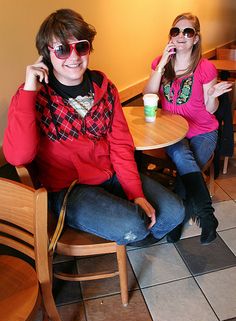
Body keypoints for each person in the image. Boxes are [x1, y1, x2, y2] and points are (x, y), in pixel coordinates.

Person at [3, 8, 184, 247]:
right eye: (62, 49)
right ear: (46, 55)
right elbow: (18, 156)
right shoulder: (33, 96)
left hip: (110, 176)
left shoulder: (105, 89)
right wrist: (28, 92)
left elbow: (120, 145)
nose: (74, 56)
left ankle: (132, 234)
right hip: (69, 190)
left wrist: (135, 193)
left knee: (175, 213)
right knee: (133, 225)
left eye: (81, 46)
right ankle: (132, 232)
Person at [143, 12, 232, 245]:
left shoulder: (205, 68)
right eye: (176, 31)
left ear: (196, 38)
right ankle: (206, 216)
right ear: (170, 36)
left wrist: (212, 96)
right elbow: (149, 95)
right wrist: (161, 65)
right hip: (172, 130)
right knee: (183, 156)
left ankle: (176, 220)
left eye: (188, 32)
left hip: (203, 130)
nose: (181, 36)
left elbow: (211, 110)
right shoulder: (159, 62)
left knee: (185, 170)